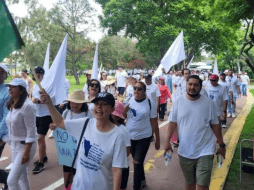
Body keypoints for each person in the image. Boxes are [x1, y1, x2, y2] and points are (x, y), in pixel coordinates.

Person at [40, 91, 127, 190]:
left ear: (112, 109)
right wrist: (49, 103)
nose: (99, 107)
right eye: (97, 104)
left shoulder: (118, 135)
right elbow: (60, 122)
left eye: (104, 104)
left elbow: (117, 169)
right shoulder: (85, 123)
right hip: (78, 187)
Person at [164, 75, 226, 190]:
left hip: (205, 150)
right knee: (190, 183)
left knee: (202, 186)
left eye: (196, 85)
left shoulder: (209, 103)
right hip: (185, 151)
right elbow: (172, 123)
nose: (192, 87)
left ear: (201, 87)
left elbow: (215, 126)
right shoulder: (178, 102)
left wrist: (221, 144)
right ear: (186, 85)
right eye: (190, 84)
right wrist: (167, 142)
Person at [50, 90, 93, 190]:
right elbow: (60, 126)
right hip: (68, 152)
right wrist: (54, 126)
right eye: (72, 102)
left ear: (83, 103)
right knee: (67, 173)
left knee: (80, 175)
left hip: (83, 151)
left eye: (77, 102)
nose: (74, 105)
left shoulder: (88, 114)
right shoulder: (66, 113)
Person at [123, 81, 160, 190]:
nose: (136, 91)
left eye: (139, 89)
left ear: (144, 91)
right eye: (135, 88)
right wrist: (124, 111)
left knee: (136, 162)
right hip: (130, 137)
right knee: (137, 162)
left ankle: (136, 187)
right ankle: (142, 180)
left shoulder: (150, 103)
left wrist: (157, 139)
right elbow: (122, 117)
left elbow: (154, 122)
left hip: (144, 137)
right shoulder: (129, 101)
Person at [4, 78, 37, 190]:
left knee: (11, 180)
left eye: (13, 87)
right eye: (9, 87)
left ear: (22, 90)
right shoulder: (12, 104)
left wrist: (27, 151)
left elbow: (31, 131)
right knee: (22, 177)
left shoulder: (28, 106)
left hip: (25, 146)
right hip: (14, 145)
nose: (10, 89)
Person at [31, 66, 53, 174]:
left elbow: (49, 100)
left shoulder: (46, 85)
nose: (34, 75)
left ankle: (41, 164)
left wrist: (38, 101)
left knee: (40, 138)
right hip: (37, 114)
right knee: (40, 138)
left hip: (46, 114)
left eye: (35, 73)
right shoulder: (35, 85)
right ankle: (43, 156)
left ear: (40, 74)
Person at [111, 101, 131, 190]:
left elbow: (127, 151)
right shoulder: (106, 129)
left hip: (122, 167)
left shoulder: (123, 131)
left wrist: (115, 158)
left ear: (118, 117)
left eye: (112, 114)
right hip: (109, 167)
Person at [0, 64, 9, 190]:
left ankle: (10, 179)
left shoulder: (7, 93)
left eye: (1, 72)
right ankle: (10, 179)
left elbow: (6, 117)